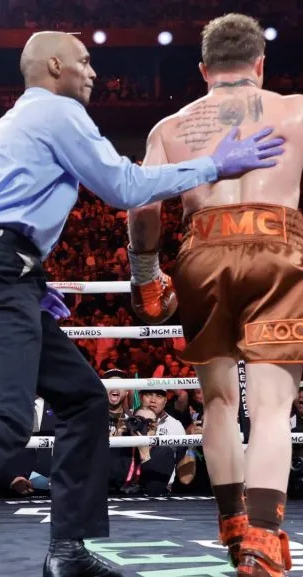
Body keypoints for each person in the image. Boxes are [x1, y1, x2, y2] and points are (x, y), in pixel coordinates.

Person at [0, 29, 284, 577]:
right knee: (6, 417)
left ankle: (69, 551)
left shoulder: (9, 126)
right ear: (53, 66)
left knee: (84, 397)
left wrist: (21, 271)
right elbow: (123, 185)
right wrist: (217, 164)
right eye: (86, 62)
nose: (94, 72)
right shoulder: (57, 113)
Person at [126, 13, 303, 575]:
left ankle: (233, 532)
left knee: (221, 402)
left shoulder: (171, 127)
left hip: (201, 251)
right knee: (273, 405)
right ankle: (264, 541)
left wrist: (145, 273)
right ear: (260, 64)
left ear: (204, 70)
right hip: (279, 246)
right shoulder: (296, 111)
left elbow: (142, 207)